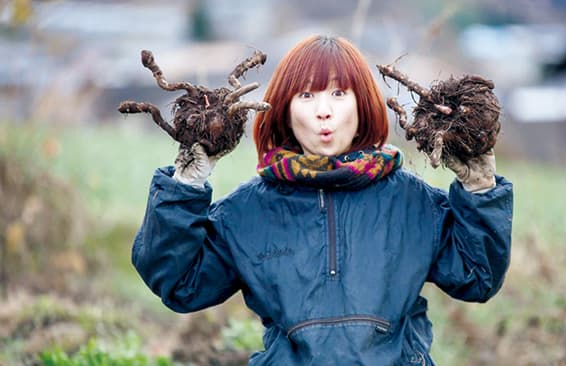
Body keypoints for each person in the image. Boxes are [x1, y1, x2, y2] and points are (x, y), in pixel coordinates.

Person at [132, 35, 513, 365]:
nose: (323, 110)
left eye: (338, 93)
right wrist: (186, 183)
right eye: (307, 94)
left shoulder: (413, 203)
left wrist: (480, 189)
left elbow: (477, 278)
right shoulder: (248, 212)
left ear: (362, 104)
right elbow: (179, 283)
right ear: (284, 109)